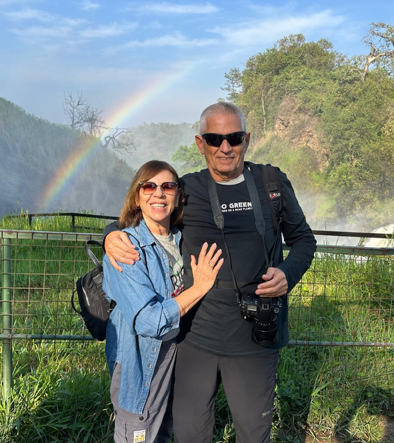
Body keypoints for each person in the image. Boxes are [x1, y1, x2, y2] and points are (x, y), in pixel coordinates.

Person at [105, 102, 316, 443]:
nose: (225, 147)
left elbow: (304, 239)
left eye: (234, 138)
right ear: (200, 143)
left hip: (255, 341)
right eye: (215, 139)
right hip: (194, 341)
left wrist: (287, 274)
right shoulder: (187, 189)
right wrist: (111, 236)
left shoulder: (271, 183)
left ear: (247, 139)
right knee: (190, 434)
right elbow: (146, 213)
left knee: (253, 435)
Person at [103, 160, 224, 443]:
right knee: (140, 433)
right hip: (141, 364)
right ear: (137, 198)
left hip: (177, 362)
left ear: (179, 196)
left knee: (163, 433)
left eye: (168, 186)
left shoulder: (184, 240)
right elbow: (148, 321)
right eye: (149, 186)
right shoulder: (126, 249)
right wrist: (200, 288)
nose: (158, 193)